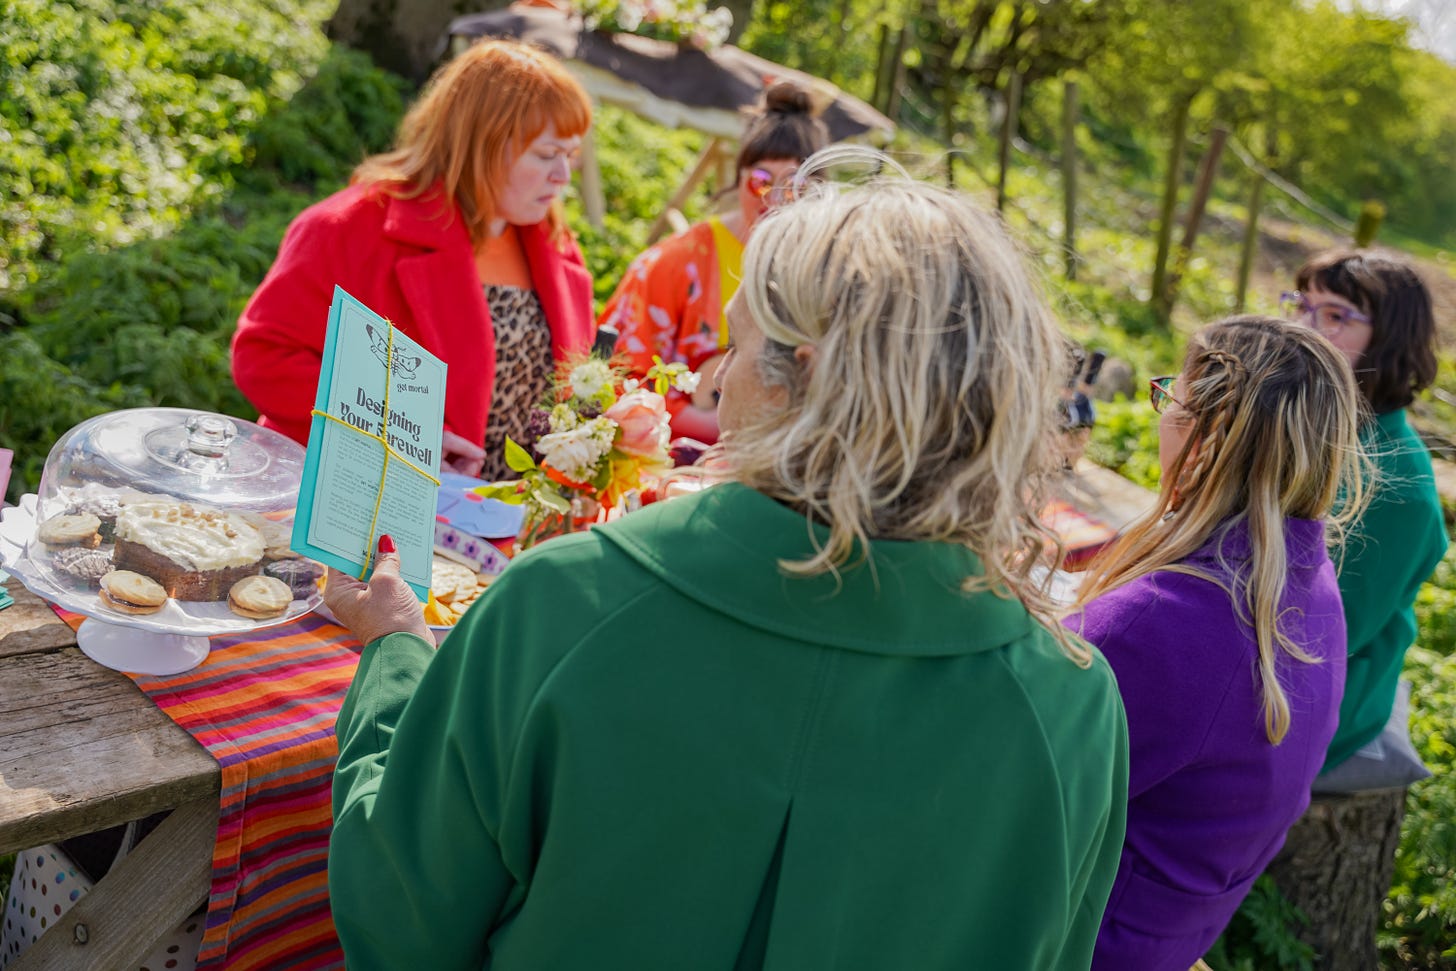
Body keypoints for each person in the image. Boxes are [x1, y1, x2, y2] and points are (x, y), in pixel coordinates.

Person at [324, 160, 1129, 970]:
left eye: (736, 344)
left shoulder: (564, 603)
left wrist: (395, 653)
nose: (716, 376)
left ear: (800, 378)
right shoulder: (1073, 705)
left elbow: (401, 923)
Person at [1064, 318, 1367, 970]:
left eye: (1172, 394)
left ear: (1211, 430)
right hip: (1166, 934)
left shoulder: (1163, 621)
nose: (1163, 410)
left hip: (1080, 940)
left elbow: (1009, 761)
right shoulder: (1304, 582)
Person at [231, 39, 597, 480]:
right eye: (545, 155)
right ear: (481, 142)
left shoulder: (555, 245)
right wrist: (397, 430)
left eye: (569, 157)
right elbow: (265, 357)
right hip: (357, 505)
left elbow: (566, 390)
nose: (562, 177)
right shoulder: (347, 227)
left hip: (500, 531)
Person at [1282, 249, 1447, 777]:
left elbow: (1325, 637)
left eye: (1333, 316)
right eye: (1301, 306)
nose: (1303, 328)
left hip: (1321, 695)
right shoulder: (1320, 418)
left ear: (1390, 339)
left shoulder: (1398, 489)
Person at [598, 80, 829, 445]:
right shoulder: (671, 264)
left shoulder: (824, 275)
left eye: (794, 183)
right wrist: (729, 428)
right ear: (738, 178)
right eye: (761, 181)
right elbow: (618, 381)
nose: (776, 200)